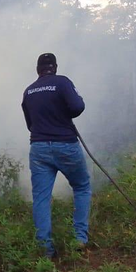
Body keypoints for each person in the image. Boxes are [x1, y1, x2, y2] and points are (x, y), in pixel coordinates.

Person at [21, 53, 91, 258]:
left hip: (39, 148)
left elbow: (30, 124)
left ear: (38, 70)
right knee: (82, 187)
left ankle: (45, 249)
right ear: (55, 67)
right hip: (66, 145)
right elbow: (77, 107)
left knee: (41, 198)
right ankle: (79, 238)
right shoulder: (62, 82)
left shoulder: (29, 91)